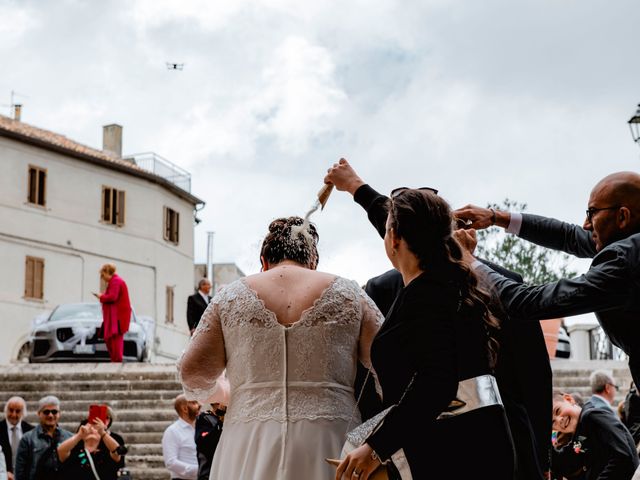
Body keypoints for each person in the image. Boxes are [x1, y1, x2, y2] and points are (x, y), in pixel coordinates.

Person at [326, 158, 549, 479]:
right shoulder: (450, 281)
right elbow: (402, 223)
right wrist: (355, 187)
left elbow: (435, 383)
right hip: (474, 439)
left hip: (455, 448)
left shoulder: (427, 294)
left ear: (394, 240)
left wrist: (376, 447)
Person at [179, 216, 383, 480]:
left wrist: (228, 393)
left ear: (264, 261)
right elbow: (393, 367)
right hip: (333, 438)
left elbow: (192, 373)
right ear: (313, 262)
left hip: (248, 439)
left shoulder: (230, 297)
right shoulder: (349, 294)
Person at [453, 171, 640, 389]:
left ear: (622, 217)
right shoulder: (628, 243)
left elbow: (526, 302)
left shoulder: (624, 261)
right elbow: (569, 236)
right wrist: (496, 217)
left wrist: (468, 260)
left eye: (592, 213)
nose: (586, 224)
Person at [551, 391, 638, 479]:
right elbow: (563, 463)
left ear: (569, 399)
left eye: (558, 411)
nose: (559, 420)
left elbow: (623, 455)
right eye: (553, 422)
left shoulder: (590, 416)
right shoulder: (580, 430)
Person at [14, 395, 73, 480]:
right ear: (39, 413)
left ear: (59, 414)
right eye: (46, 412)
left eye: (54, 412)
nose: (50, 415)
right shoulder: (27, 439)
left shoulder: (69, 437)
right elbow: (19, 473)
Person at [56, 417, 125, 480]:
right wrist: (79, 435)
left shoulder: (107, 451)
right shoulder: (74, 451)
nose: (91, 430)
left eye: (95, 428)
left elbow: (117, 451)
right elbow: (60, 450)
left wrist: (103, 433)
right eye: (88, 427)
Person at [98, 263, 132, 363]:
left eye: (103, 275)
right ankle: (115, 359)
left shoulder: (116, 281)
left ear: (107, 273)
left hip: (117, 316)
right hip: (116, 316)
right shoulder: (116, 281)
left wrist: (101, 297)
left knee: (115, 338)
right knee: (112, 338)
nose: (102, 278)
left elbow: (113, 297)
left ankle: (116, 360)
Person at [162, 394, 200, 480]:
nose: (199, 406)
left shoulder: (200, 428)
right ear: (185, 409)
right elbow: (171, 462)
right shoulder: (172, 431)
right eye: (194, 403)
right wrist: (198, 470)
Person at [0, 396, 34, 480]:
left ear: (23, 413)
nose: (13, 414)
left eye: (18, 411)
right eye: (11, 410)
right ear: (6, 410)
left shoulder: (31, 431)